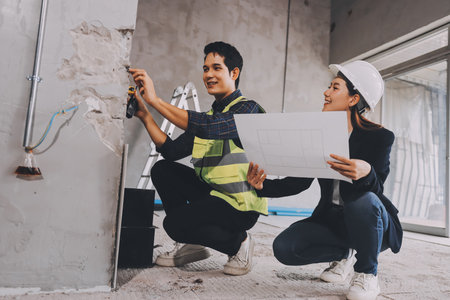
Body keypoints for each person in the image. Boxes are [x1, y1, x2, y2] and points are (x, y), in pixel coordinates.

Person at [247, 61, 402, 299]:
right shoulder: (319, 134)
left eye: (335, 87)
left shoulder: (380, 137)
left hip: (371, 224)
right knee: (284, 248)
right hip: (333, 221)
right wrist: (262, 186)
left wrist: (367, 171)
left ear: (353, 99)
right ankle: (345, 254)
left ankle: (367, 273)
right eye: (329, 87)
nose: (326, 92)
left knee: (364, 200)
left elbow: (377, 188)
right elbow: (299, 182)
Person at [129, 41, 267, 276]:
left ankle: (240, 243)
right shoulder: (211, 116)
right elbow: (172, 151)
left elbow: (210, 128)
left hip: (240, 206)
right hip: (214, 196)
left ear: (234, 73)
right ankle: (190, 242)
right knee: (163, 169)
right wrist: (144, 114)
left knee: (173, 224)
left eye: (216, 68)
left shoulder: (248, 110)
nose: (208, 75)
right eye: (205, 69)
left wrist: (155, 100)